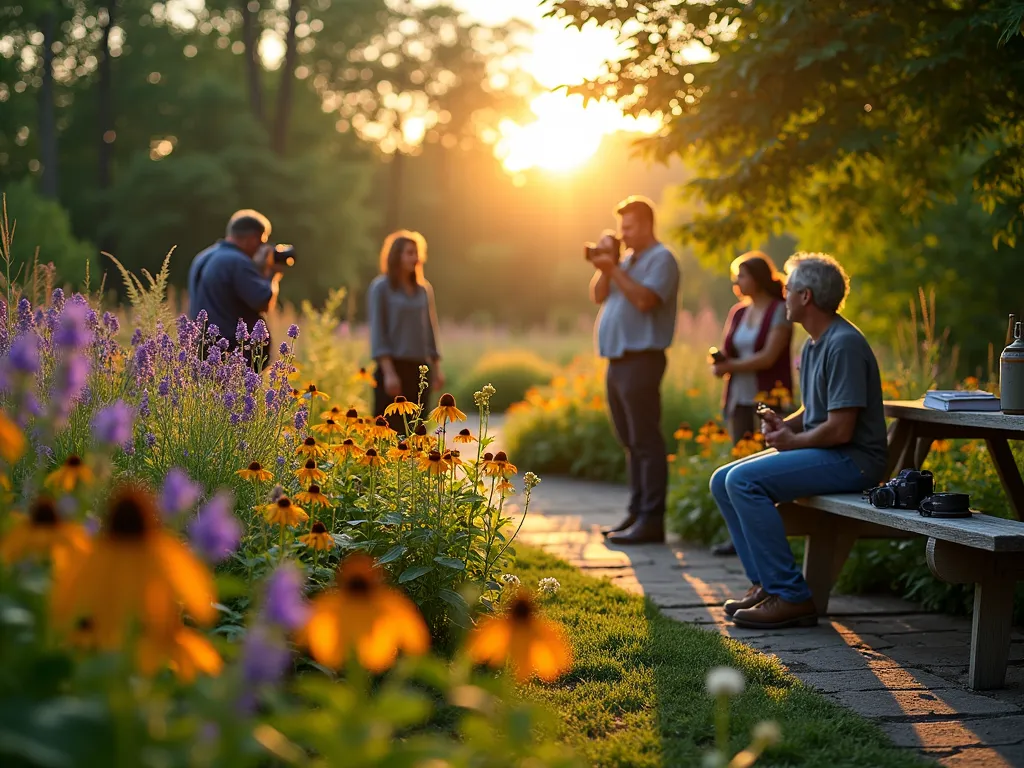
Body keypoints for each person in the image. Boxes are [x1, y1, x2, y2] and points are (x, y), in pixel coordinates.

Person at [709, 253, 888, 630]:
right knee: (722, 480)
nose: (783, 294)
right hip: (830, 452)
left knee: (743, 481)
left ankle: (791, 596)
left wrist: (792, 441)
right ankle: (766, 584)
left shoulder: (843, 345)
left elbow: (840, 429)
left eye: (788, 288)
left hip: (853, 460)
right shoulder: (813, 344)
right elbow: (815, 410)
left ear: (805, 297)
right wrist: (784, 424)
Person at [589, 196, 680, 545]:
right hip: (618, 360)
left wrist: (615, 271)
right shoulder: (626, 260)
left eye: (628, 227)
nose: (622, 234)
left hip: (643, 358)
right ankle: (636, 512)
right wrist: (606, 266)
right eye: (621, 227)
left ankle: (652, 520)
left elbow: (645, 301)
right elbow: (598, 295)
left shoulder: (662, 259)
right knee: (630, 441)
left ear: (645, 224)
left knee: (646, 440)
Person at [709, 251, 794, 557]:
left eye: (741, 275)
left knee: (764, 466)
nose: (736, 281)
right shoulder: (737, 312)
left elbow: (769, 357)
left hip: (768, 400)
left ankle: (771, 539)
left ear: (756, 279)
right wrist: (721, 363)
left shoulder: (781, 310)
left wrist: (731, 365)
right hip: (737, 399)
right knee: (737, 466)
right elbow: (730, 351)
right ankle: (740, 539)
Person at [367, 230, 443, 431]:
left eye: (417, 253)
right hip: (392, 369)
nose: (416, 258)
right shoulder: (381, 288)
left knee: (417, 431)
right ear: (396, 256)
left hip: (420, 370)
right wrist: (389, 373)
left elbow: (430, 328)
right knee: (389, 432)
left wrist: (436, 369)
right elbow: (378, 331)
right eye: (410, 253)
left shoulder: (424, 289)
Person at [188, 210, 282, 358]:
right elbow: (263, 300)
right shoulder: (237, 261)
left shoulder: (202, 257)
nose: (262, 248)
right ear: (251, 239)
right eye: (262, 241)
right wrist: (271, 274)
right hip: (231, 354)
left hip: (202, 349)